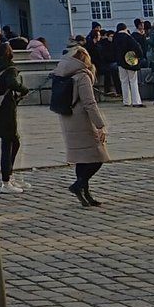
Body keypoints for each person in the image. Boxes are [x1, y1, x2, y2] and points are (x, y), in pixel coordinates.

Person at [54, 43, 109, 207]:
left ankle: (85, 192)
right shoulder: (82, 76)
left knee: (81, 158)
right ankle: (78, 185)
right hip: (82, 120)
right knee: (98, 157)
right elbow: (89, 103)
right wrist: (100, 125)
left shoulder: (64, 73)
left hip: (68, 118)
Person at [0, 42, 28, 193]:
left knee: (13, 141)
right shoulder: (9, 68)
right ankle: (6, 181)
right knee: (8, 143)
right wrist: (24, 89)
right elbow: (12, 83)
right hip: (6, 106)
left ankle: (9, 175)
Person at [114, 23, 145, 107]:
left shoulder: (115, 38)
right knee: (133, 81)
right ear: (125, 29)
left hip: (120, 62)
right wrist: (139, 56)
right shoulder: (128, 37)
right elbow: (137, 47)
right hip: (130, 62)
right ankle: (136, 101)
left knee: (124, 82)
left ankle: (126, 101)